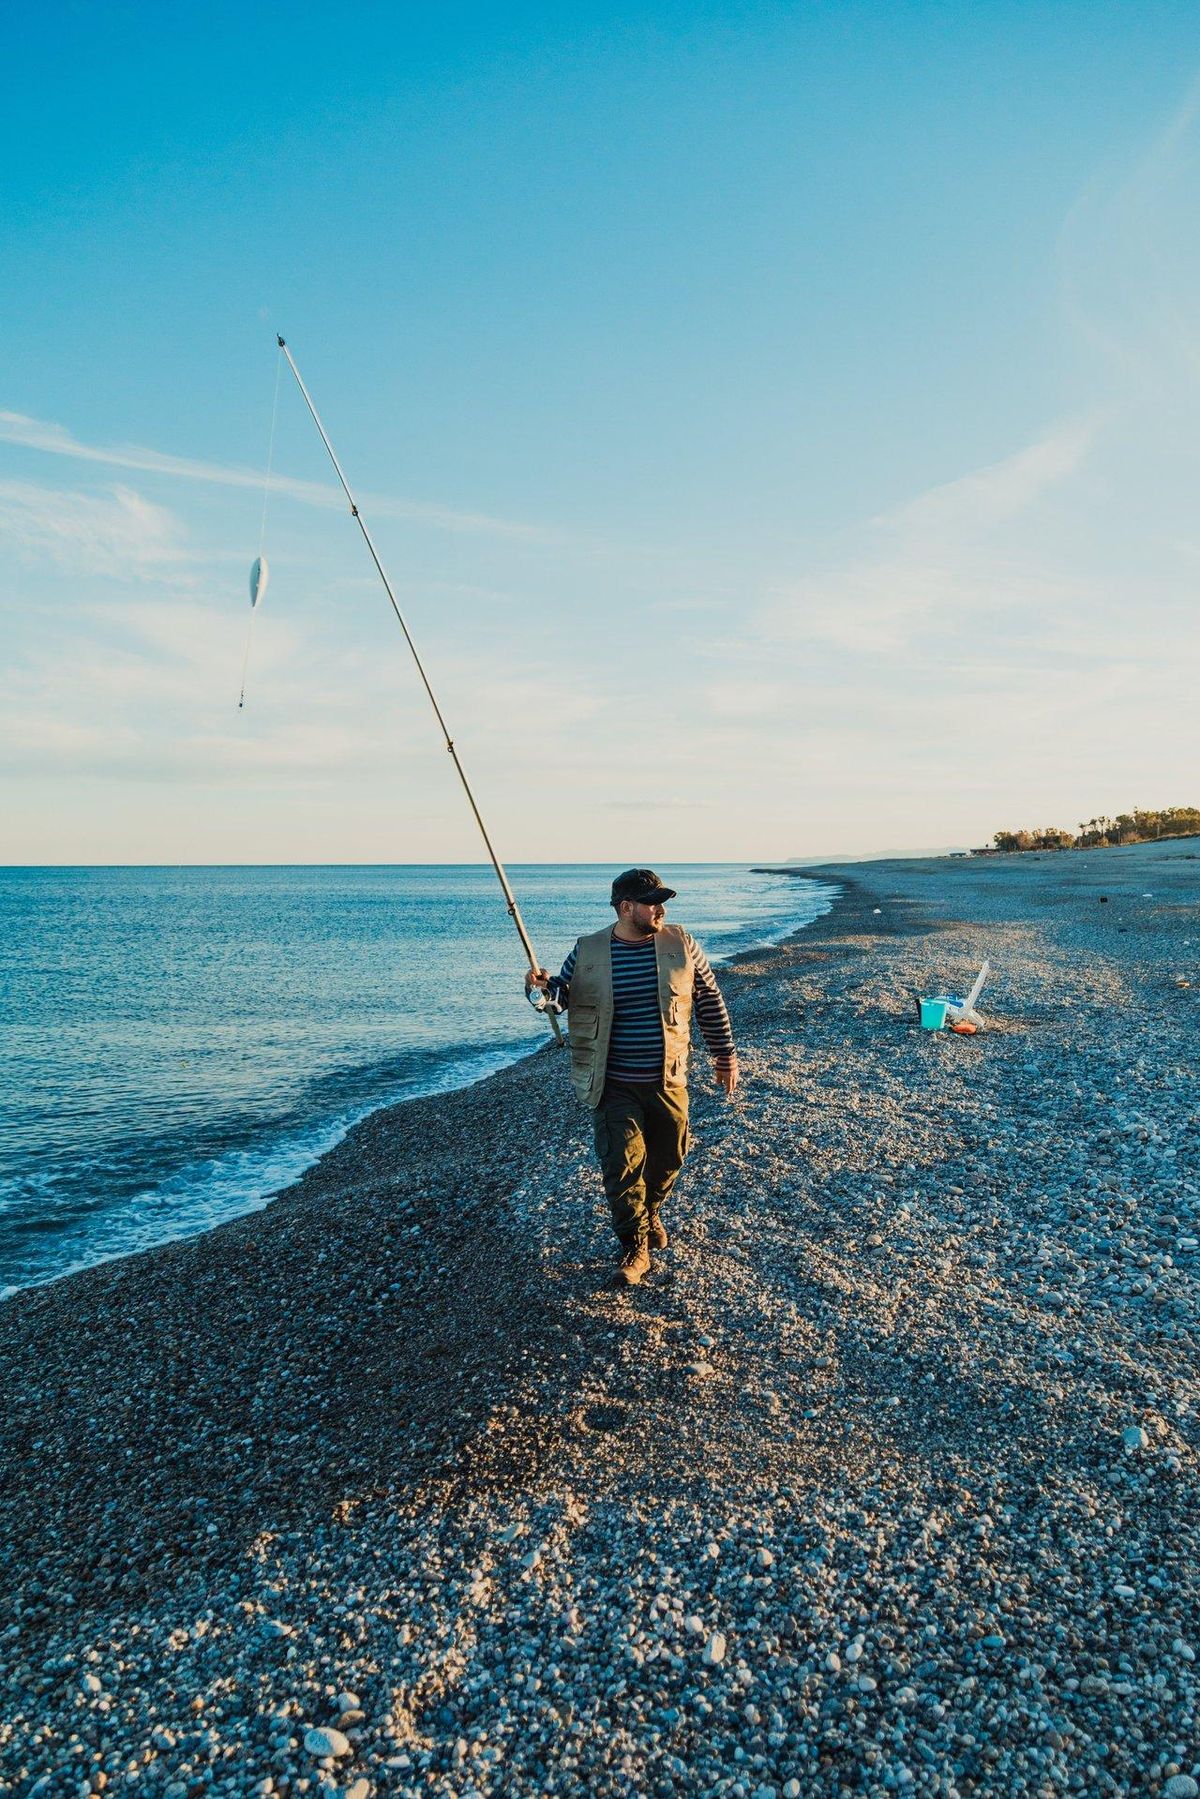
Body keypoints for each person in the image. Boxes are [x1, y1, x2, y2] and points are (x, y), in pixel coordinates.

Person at [526, 868, 739, 1287]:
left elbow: (709, 998)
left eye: (661, 902)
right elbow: (559, 998)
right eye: (651, 902)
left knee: (671, 1157)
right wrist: (538, 988)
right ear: (626, 907)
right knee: (620, 1166)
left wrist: (725, 1056)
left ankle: (650, 1210)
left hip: (669, 1077)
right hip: (612, 1082)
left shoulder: (682, 943)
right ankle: (634, 1246)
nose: (660, 909)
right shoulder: (588, 950)